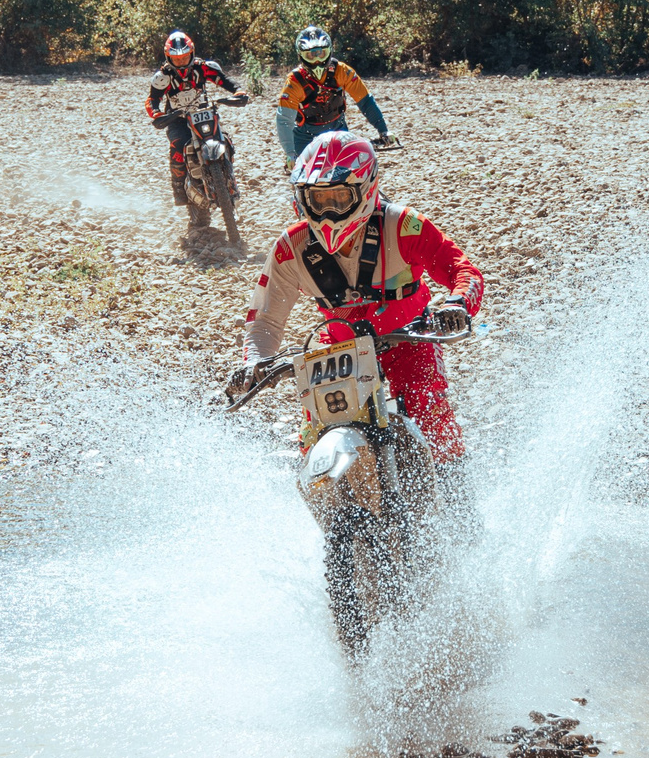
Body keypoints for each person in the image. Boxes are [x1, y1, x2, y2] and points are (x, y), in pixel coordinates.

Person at [228, 129, 483, 459]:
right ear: (301, 198)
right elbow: (265, 321)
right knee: (314, 436)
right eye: (317, 200)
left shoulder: (404, 225)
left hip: (411, 339)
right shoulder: (291, 247)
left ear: (365, 189)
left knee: (432, 419)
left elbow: (463, 271)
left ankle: (454, 481)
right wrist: (254, 362)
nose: (327, 212)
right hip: (338, 347)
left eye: (338, 198)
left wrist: (458, 304)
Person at [145, 28, 248, 224]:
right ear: (168, 58)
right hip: (177, 119)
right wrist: (156, 114)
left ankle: (228, 177)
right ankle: (179, 188)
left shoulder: (204, 68)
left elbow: (225, 81)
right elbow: (152, 100)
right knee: (178, 144)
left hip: (204, 113)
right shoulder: (162, 77)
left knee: (225, 139)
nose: (181, 62)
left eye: (185, 57)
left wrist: (238, 91)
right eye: (177, 59)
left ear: (191, 53)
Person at [273, 25, 393, 167]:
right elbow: (284, 120)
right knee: (302, 177)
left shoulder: (342, 71)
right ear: (301, 56)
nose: (317, 61)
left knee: (352, 172)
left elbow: (365, 101)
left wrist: (383, 130)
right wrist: (290, 153)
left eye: (321, 54)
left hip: (338, 132)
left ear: (329, 51)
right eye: (310, 55)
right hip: (305, 137)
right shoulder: (294, 81)